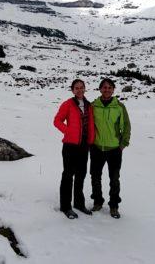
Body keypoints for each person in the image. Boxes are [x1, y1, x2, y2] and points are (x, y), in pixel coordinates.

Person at [53, 79, 95, 219]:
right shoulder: (68, 104)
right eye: (76, 88)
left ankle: (79, 203)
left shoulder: (89, 105)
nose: (79, 90)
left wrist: (90, 140)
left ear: (85, 89)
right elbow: (57, 121)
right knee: (68, 175)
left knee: (81, 175)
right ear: (72, 90)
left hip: (84, 145)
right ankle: (65, 206)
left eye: (81, 87)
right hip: (70, 145)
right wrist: (68, 131)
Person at [90, 78, 131, 219]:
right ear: (100, 89)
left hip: (114, 149)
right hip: (96, 148)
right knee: (95, 177)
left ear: (113, 89)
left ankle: (114, 205)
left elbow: (126, 126)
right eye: (104, 87)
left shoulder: (119, 107)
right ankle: (97, 201)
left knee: (114, 178)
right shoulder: (93, 106)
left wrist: (123, 144)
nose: (107, 89)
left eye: (109, 87)